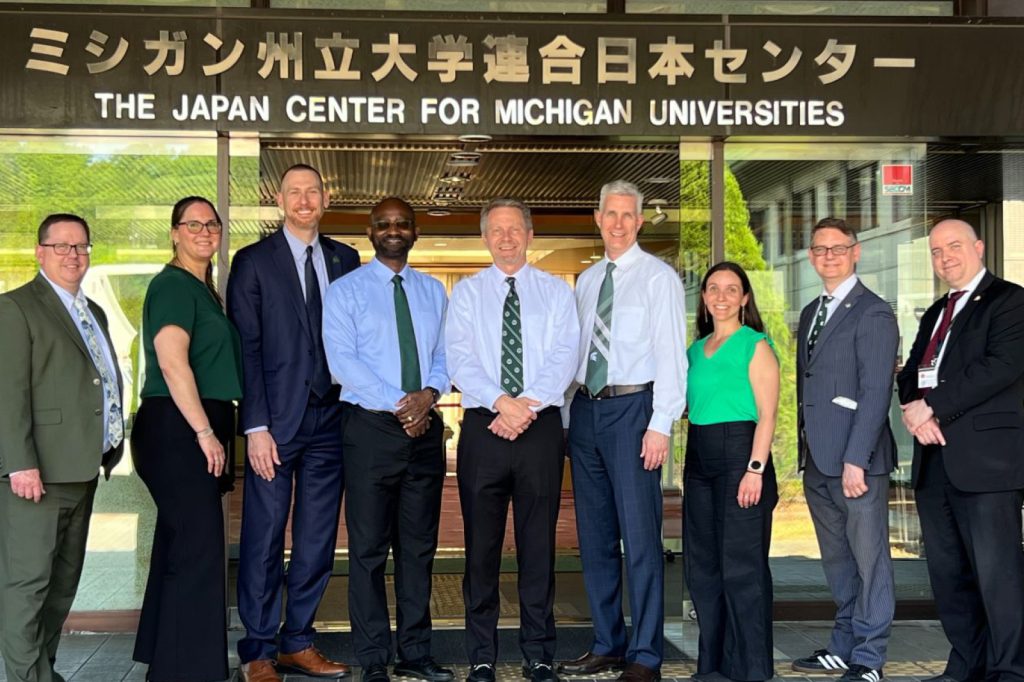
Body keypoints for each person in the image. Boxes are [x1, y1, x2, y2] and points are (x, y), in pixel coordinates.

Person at [227, 164, 359, 682]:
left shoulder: (345, 259)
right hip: (276, 424)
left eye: (313, 192)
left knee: (317, 538)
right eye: (294, 193)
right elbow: (248, 349)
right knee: (263, 537)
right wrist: (255, 426)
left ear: (326, 198)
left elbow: (357, 337)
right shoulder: (253, 262)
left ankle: (297, 641)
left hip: (333, 419)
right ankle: (258, 649)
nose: (304, 200)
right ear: (280, 200)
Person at [446, 199, 580, 682]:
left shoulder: (555, 292)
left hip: (540, 428)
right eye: (496, 230)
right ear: (485, 237)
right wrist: (504, 403)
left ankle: (539, 653)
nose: (506, 238)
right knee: (481, 549)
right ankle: (482, 653)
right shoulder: (466, 294)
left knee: (538, 546)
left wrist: (526, 406)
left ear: (529, 233)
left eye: (514, 229)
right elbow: (459, 360)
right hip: (484, 426)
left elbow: (565, 356)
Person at [559, 180, 687, 682]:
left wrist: (660, 425)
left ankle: (646, 654)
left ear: (638, 221)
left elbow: (672, 358)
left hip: (635, 411)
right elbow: (576, 357)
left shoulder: (659, 279)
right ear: (597, 217)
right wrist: (569, 418)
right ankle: (607, 643)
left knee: (640, 538)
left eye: (627, 215)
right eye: (609, 213)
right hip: (587, 413)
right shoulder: (588, 280)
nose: (617, 223)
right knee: (594, 539)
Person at [323, 197, 452, 682]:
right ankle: (374, 658)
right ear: (370, 232)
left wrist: (430, 394)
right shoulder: (346, 292)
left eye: (402, 224)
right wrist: (406, 404)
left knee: (418, 550)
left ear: (415, 231)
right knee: (369, 550)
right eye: (384, 224)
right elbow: (343, 364)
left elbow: (444, 354)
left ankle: (416, 653)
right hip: (371, 430)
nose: (393, 230)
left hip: (423, 431)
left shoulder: (433, 291)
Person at [896, 219, 1024, 682]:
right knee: (950, 576)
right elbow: (910, 370)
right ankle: (967, 663)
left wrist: (930, 408)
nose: (945, 257)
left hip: (987, 465)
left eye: (953, 246)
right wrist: (913, 404)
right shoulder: (935, 312)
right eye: (935, 251)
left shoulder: (1011, 301)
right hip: (935, 464)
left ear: (978, 247)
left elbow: (1000, 367)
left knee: (998, 575)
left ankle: (1010, 669)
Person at [0, 214, 124, 682]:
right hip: (37, 475)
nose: (73, 255)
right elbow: (7, 395)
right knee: (26, 589)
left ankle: (42, 672)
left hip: (82, 468)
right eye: (62, 246)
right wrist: (20, 464)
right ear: (40, 252)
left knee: (61, 587)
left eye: (81, 247)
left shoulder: (94, 309)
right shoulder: (15, 308)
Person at [130, 196, 242, 681]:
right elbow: (173, 363)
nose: (204, 230)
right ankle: (193, 672)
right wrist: (204, 432)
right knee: (198, 552)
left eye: (212, 223)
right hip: (179, 427)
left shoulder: (203, 289)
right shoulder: (173, 286)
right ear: (174, 232)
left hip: (191, 424)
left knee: (180, 545)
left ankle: (167, 664)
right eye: (192, 223)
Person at [791, 218, 899, 682]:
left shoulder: (873, 312)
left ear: (856, 253)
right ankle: (842, 644)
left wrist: (858, 457)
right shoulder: (813, 310)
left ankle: (870, 657)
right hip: (818, 459)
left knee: (870, 560)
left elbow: (876, 391)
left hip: (857, 462)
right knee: (837, 559)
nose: (829, 256)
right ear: (811, 256)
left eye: (838, 248)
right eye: (820, 249)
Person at [684, 261, 779, 682]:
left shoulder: (754, 345)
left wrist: (755, 469)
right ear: (704, 298)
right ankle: (715, 665)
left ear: (744, 298)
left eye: (731, 289)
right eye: (713, 289)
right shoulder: (694, 350)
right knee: (704, 568)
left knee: (743, 568)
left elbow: (769, 414)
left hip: (742, 456)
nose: (721, 296)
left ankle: (752, 670)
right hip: (699, 459)